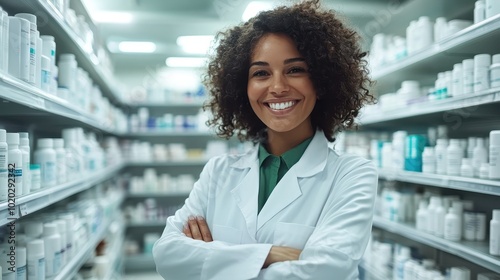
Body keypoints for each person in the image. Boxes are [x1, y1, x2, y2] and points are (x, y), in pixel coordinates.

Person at [153, 0, 377, 279]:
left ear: (321, 80)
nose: (278, 87)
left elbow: (326, 270)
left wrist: (212, 260)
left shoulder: (352, 175)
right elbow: (167, 255)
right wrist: (269, 253)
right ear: (242, 88)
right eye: (260, 73)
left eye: (295, 69)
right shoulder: (218, 173)